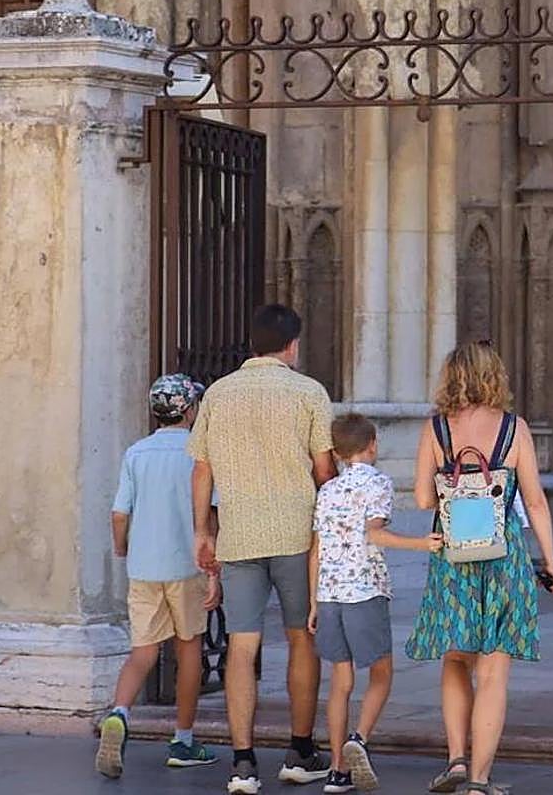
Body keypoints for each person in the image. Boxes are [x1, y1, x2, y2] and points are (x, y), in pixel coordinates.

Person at [406, 341, 553, 795]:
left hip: (452, 555)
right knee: (493, 672)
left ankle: (456, 760)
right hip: (503, 556)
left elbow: (421, 499)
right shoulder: (514, 429)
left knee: (456, 658)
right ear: (494, 376)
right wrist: (551, 563)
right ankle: (479, 781)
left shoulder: (435, 428)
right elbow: (534, 501)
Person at [189, 304, 338, 794]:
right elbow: (323, 470)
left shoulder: (218, 393)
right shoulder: (309, 392)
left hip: (239, 533)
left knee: (242, 644)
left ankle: (243, 762)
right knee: (302, 637)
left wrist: (202, 531)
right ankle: (300, 750)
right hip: (297, 533)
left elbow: (201, 470)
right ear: (291, 345)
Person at [308, 413, 443, 793]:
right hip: (364, 590)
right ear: (372, 446)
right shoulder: (379, 483)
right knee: (381, 673)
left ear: (336, 451)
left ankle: (337, 770)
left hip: (329, 594)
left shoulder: (327, 490)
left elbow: (315, 551)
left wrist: (314, 603)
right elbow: (375, 534)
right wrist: (422, 543)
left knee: (341, 681)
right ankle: (360, 737)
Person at [95, 374, 221, 779]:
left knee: (143, 651)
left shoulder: (136, 453)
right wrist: (215, 563)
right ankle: (183, 740)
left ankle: (118, 713)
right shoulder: (197, 453)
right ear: (188, 410)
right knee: (188, 650)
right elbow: (212, 513)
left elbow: (119, 512)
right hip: (187, 566)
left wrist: (122, 546)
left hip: (144, 566)